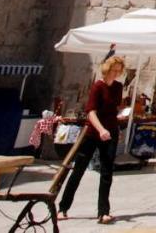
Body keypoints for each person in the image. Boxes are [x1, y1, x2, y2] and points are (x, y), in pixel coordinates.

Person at [59, 55, 125, 225]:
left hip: (110, 132)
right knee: (78, 170)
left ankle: (103, 212)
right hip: (93, 133)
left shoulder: (118, 87)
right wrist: (100, 129)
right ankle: (63, 208)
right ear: (107, 69)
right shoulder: (98, 86)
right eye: (114, 70)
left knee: (106, 172)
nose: (116, 73)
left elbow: (113, 109)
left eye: (119, 70)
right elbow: (91, 112)